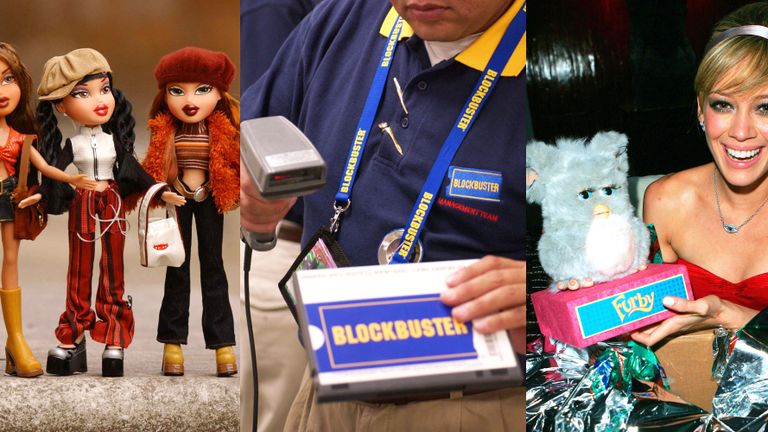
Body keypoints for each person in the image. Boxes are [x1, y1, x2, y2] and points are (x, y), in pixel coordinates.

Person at [240, 0, 526, 430]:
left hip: (474, 405)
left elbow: (618, 245)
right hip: (325, 392)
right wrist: (247, 194)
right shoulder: (347, 18)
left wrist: (539, 293)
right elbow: (244, 132)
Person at [36, 48, 185, 377]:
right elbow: (53, 174)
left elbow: (138, 174)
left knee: (113, 270)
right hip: (82, 205)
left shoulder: (115, 144)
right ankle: (74, 334)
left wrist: (161, 191)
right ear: (61, 106)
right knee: (78, 270)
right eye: (82, 94)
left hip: (112, 205)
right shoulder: (71, 146)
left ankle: (114, 335)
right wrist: (38, 196)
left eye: (104, 89)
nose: (98, 100)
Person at [634, 2, 768, 347]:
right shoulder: (666, 201)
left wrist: (729, 314)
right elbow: (643, 329)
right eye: (723, 104)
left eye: (764, 107)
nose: (740, 131)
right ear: (700, 108)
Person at [141, 46, 240, 377]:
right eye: (177, 91)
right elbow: (153, 166)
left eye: (202, 90)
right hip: (178, 201)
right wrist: (163, 191)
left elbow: (234, 164)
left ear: (218, 93)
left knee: (214, 267)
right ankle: (172, 345)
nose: (189, 100)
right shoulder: (165, 130)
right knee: (177, 268)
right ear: (165, 94)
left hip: (210, 199)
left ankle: (223, 345)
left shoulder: (224, 129)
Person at [0, 42, 97, 378]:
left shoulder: (19, 137)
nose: (2, 90)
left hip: (10, 197)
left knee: (11, 260)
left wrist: (72, 178)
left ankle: (15, 340)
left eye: (7, 79)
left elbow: (46, 167)